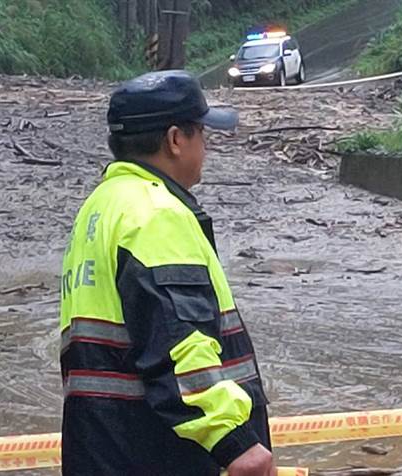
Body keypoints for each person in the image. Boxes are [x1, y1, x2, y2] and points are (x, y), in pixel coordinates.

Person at [59, 70, 276, 476]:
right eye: (202, 134)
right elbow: (179, 343)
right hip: (157, 454)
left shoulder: (99, 208)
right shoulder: (155, 214)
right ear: (176, 140)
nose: (206, 146)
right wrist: (235, 444)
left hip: (102, 449)